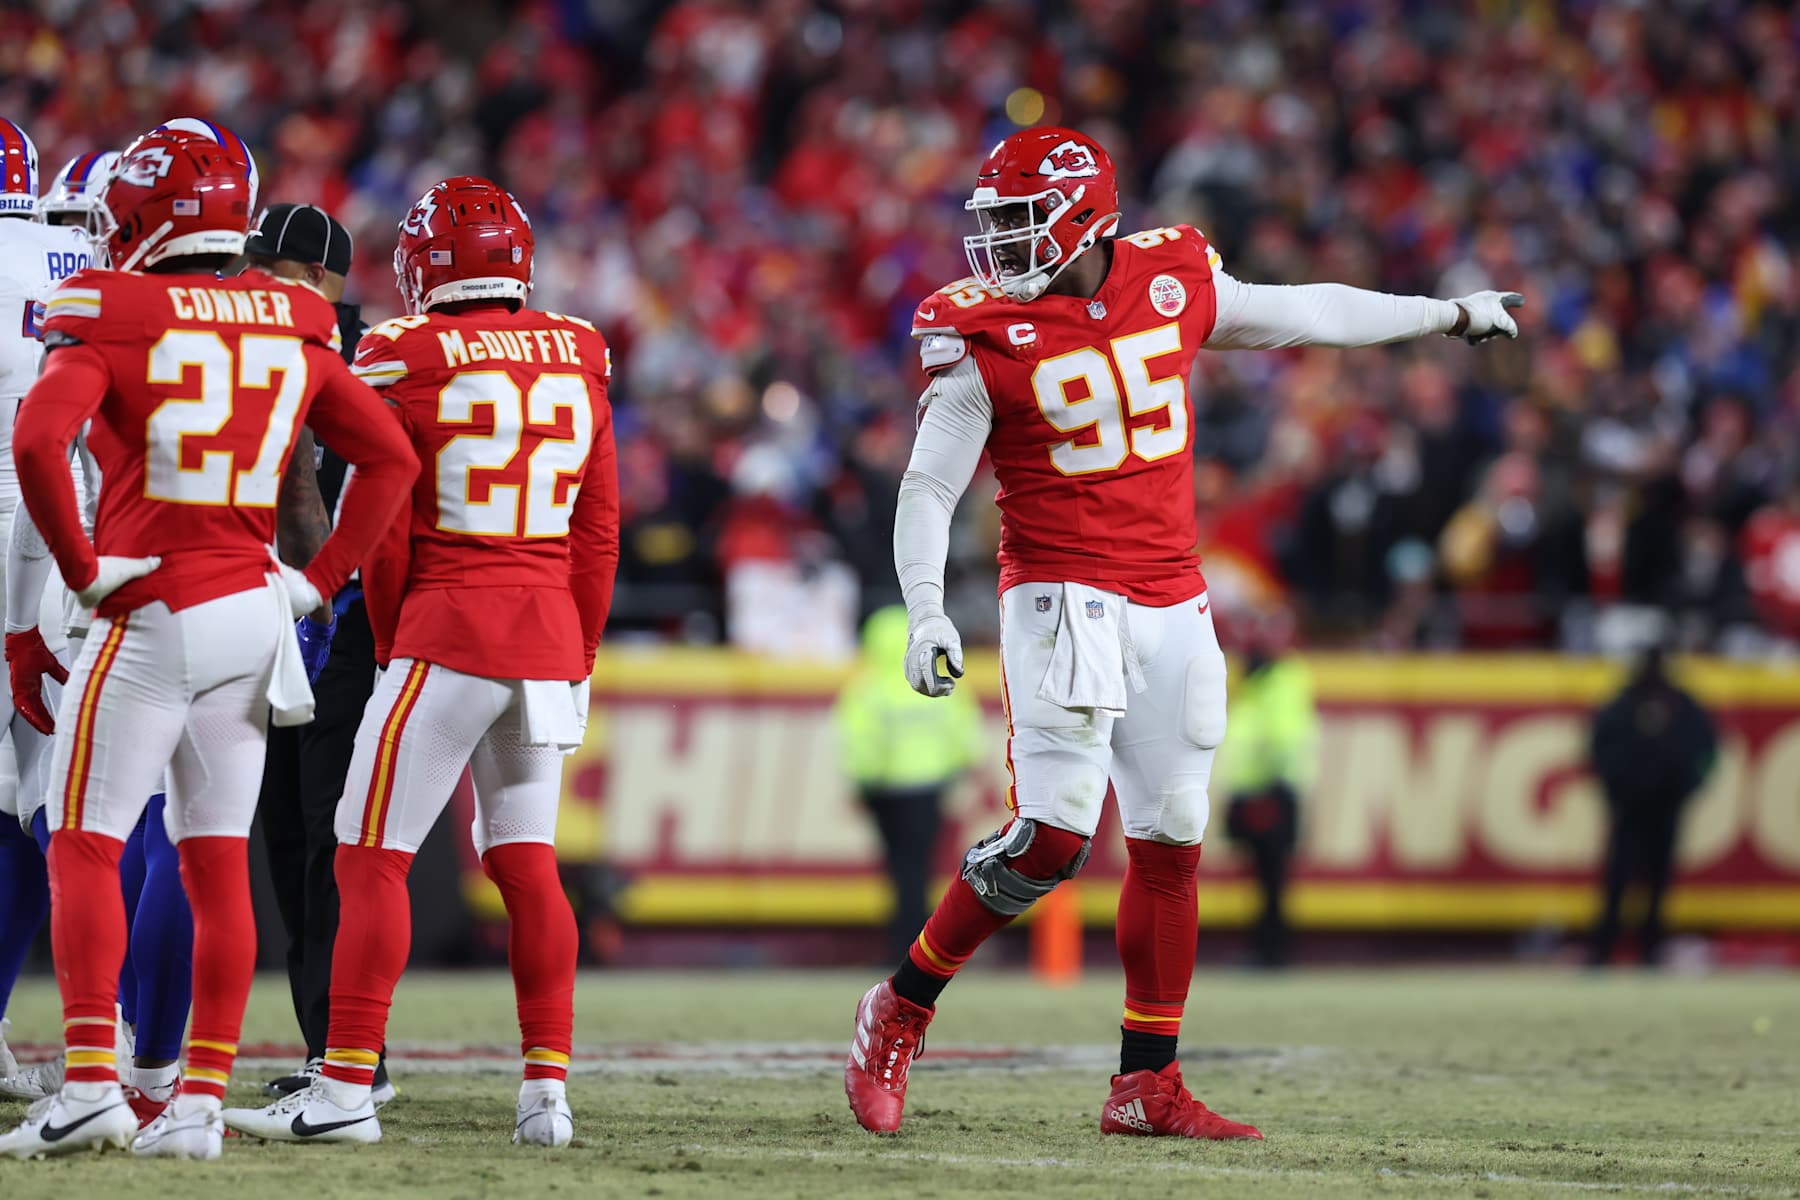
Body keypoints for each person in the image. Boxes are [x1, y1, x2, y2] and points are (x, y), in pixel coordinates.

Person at [843, 126, 1524, 1140]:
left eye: (1019, 223)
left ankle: (1145, 1084)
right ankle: (900, 1006)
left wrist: (1448, 313)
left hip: (1174, 598)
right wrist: (929, 606)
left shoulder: (1169, 274)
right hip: (1061, 596)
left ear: (1085, 220)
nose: (996, 247)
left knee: (1171, 841)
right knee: (1055, 838)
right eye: (993, 224)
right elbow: (932, 484)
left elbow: (1305, 314)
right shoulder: (982, 328)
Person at [0, 126, 417, 1161]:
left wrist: (84, 570)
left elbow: (36, 444)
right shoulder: (294, 313)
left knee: (88, 843)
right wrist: (318, 585)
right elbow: (390, 457)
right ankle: (193, 1106)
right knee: (213, 859)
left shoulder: (109, 307)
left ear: (141, 216)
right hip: (252, 610)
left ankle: (93, 1078)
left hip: (149, 604)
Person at [224, 175, 618, 1149]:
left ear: (425, 262)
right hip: (547, 637)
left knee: (365, 856)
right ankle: (545, 1096)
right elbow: (598, 527)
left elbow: (389, 524)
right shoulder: (579, 349)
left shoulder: (405, 351)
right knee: (527, 866)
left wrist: (396, 637)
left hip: (449, 626)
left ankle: (348, 1086)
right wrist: (583, 649)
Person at [238, 202, 394, 1105]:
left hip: (342, 616)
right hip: (276, 611)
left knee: (326, 836)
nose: (250, 274)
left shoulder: (358, 359)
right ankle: (326, 1046)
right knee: (288, 833)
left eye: (266, 260)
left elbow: (382, 481)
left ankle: (348, 1054)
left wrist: (333, 585)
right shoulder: (265, 346)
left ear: (311, 276)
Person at [0, 119, 96, 1097]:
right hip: (79, 525)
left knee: (48, 803)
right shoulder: (87, 255)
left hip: (15, 515)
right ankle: (103, 1038)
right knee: (49, 790)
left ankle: (101, 1040)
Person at [833, 605, 982, 961]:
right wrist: (956, 775)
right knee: (921, 869)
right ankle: (925, 947)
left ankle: (904, 945)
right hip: (931, 788)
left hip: (886, 791)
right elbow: (965, 739)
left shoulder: (867, 690)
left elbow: (860, 744)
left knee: (900, 869)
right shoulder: (938, 682)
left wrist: (862, 785)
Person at [1588, 646, 1717, 967]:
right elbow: (1598, 750)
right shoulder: (1626, 704)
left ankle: (1646, 951)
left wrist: (1688, 787)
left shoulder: (1677, 705)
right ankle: (1606, 950)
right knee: (1622, 881)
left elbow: (1707, 749)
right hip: (1631, 807)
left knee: (1654, 882)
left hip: (1662, 806)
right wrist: (1614, 789)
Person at [1221, 606, 1317, 969]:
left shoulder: (1281, 677)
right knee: (1263, 876)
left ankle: (1272, 952)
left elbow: (1283, 735)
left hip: (1270, 790)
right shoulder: (1259, 677)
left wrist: (1275, 782)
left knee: (1272, 876)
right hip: (1256, 787)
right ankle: (1266, 949)